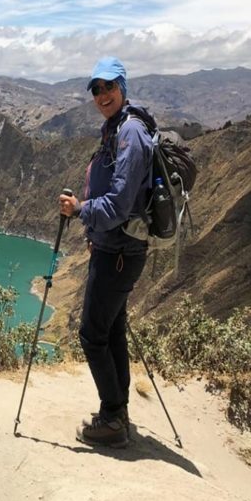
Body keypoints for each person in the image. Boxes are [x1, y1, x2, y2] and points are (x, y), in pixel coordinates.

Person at [58, 56, 153, 448]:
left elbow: (117, 203)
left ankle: (113, 419)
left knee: (91, 336)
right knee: (112, 331)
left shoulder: (129, 133)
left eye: (109, 87)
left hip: (118, 253)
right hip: (114, 249)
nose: (102, 95)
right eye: (96, 89)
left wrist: (80, 210)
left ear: (123, 88)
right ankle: (119, 409)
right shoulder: (115, 129)